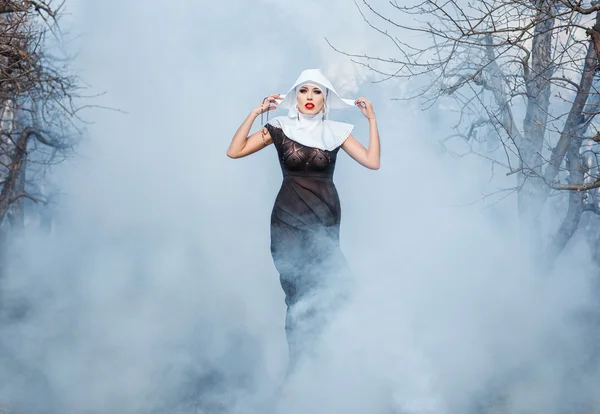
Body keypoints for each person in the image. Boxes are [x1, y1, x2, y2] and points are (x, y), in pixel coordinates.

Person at [227, 68, 380, 377]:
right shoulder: (279, 127)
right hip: (288, 219)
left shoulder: (338, 131)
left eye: (317, 92)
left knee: (336, 287)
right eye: (304, 91)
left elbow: (372, 162)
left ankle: (330, 364)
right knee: (298, 295)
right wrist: (255, 112)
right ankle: (299, 370)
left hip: (325, 218)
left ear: (326, 99)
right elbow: (234, 151)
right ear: (294, 95)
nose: (310, 97)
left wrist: (372, 122)